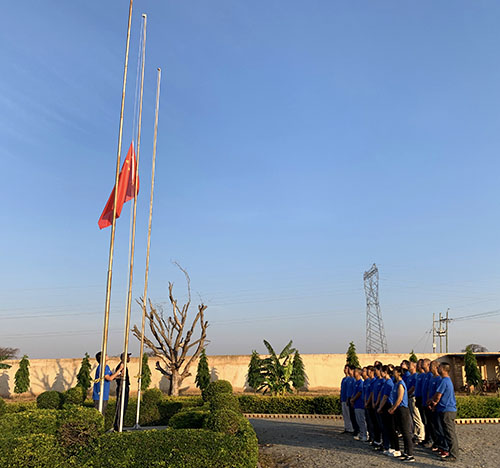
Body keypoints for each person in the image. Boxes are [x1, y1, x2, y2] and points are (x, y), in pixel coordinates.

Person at [430, 363, 459, 462]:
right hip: (445, 409)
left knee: (450, 433)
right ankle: (451, 452)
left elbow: (438, 395)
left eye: (439, 367)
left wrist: (433, 403)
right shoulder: (446, 380)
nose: (437, 369)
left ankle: (453, 454)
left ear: (443, 369)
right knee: (447, 432)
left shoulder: (444, 381)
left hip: (447, 409)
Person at [388, 366, 415, 462]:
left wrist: (393, 408)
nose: (393, 373)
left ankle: (410, 454)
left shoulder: (401, 384)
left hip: (402, 409)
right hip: (398, 410)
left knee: (406, 432)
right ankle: (406, 452)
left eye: (395, 371)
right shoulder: (396, 383)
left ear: (399, 373)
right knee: (402, 432)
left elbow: (400, 399)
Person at [377, 365, 396, 456]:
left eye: (381, 371)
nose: (380, 373)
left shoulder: (389, 383)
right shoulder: (386, 382)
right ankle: (385, 444)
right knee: (384, 427)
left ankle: (388, 445)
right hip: (384, 405)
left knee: (388, 427)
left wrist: (380, 407)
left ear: (385, 372)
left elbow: (385, 397)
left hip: (387, 405)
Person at [407, 360, 425, 443]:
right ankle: (415, 433)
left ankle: (421, 435)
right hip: (410, 398)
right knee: (413, 417)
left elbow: (413, 387)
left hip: (413, 397)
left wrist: (407, 393)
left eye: (410, 365)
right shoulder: (411, 376)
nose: (408, 367)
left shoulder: (415, 376)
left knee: (417, 417)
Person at [113, 352, 131, 431]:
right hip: (122, 388)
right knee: (121, 407)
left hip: (125, 387)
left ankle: (120, 425)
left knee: (124, 407)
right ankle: (117, 426)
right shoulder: (121, 366)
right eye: (128, 357)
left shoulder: (124, 366)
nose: (129, 358)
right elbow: (117, 376)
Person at [351, 367, 368, 441]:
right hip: (356, 404)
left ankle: (364, 434)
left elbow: (359, 392)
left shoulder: (361, 383)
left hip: (360, 404)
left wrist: (353, 399)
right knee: (358, 420)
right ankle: (361, 434)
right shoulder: (356, 382)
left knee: (361, 420)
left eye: (355, 372)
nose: (354, 373)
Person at [340, 364, 354, 433]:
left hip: (347, 399)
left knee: (349, 415)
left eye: (346, 369)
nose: (345, 370)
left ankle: (351, 428)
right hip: (343, 399)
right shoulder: (344, 379)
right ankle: (347, 428)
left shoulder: (351, 379)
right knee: (345, 414)